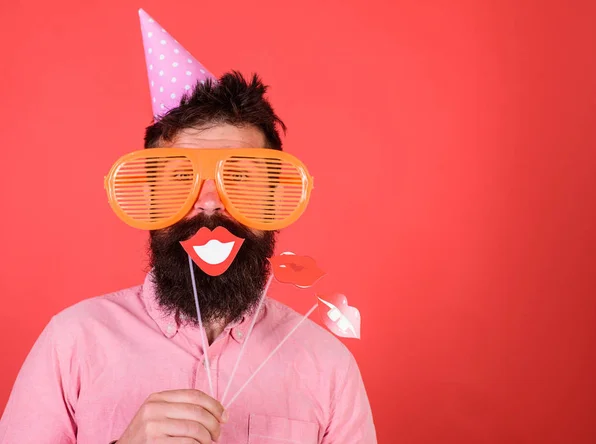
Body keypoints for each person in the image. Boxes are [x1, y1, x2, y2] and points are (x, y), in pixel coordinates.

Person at [0, 67, 376, 443]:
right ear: (149, 199)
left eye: (241, 178)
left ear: (273, 200)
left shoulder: (328, 365)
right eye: (181, 178)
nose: (209, 204)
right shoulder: (73, 341)